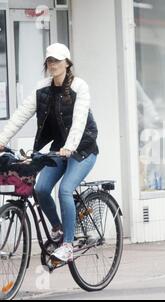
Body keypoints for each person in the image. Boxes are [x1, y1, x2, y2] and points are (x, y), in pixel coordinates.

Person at [0, 43, 99, 262]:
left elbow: (80, 119)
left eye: (57, 60)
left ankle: (67, 245)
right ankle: (58, 228)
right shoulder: (42, 89)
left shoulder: (79, 86)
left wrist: (71, 146)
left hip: (83, 148)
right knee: (42, 188)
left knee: (64, 189)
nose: (53, 65)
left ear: (67, 63)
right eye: (49, 61)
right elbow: (20, 115)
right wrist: (2, 140)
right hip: (59, 149)